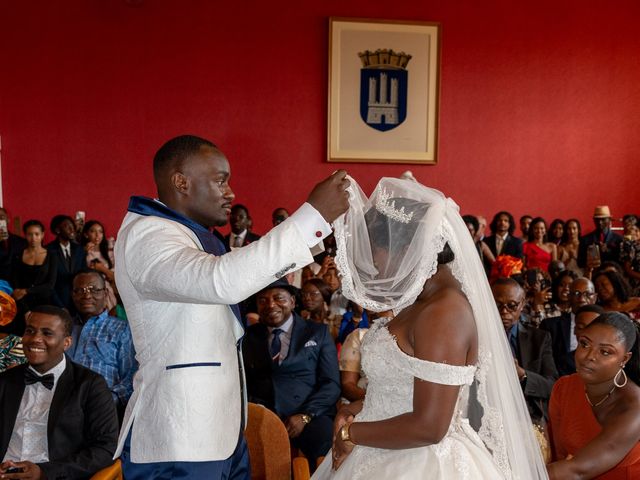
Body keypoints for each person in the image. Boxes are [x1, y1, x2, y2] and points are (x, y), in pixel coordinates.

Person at [114, 135, 349, 479]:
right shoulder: (149, 235)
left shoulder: (188, 235)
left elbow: (237, 267)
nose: (231, 192)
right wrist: (310, 217)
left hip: (218, 433)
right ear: (181, 181)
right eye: (220, 180)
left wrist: (312, 242)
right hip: (180, 439)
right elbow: (221, 280)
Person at [312, 177, 547, 479]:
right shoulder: (423, 300)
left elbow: (431, 426)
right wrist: (357, 408)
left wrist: (350, 434)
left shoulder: (445, 313)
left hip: (418, 463)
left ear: (404, 248)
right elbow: (404, 389)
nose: (369, 266)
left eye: (373, 252)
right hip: (384, 447)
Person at [0, 305, 119, 479]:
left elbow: (105, 448)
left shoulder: (90, 385)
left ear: (67, 343)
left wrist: (44, 472)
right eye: (30, 331)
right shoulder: (5, 381)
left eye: (47, 333)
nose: (35, 339)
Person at [242, 279, 340, 461]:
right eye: (262, 300)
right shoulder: (249, 336)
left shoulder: (317, 332)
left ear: (293, 301)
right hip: (266, 416)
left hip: (310, 414)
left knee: (324, 447)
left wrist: (305, 416)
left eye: (279, 298)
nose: (271, 305)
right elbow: (244, 382)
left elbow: (331, 384)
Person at [547, 312, 640, 479]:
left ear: (624, 359)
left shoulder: (635, 406)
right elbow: (557, 455)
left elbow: (578, 470)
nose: (589, 356)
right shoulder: (564, 388)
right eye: (584, 344)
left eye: (605, 352)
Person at [68, 270, 137, 418]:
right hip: (63, 406)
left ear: (105, 293)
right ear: (73, 295)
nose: (87, 296)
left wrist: (107, 401)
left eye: (94, 290)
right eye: (80, 290)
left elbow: (130, 378)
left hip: (102, 411)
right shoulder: (64, 328)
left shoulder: (121, 329)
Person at [491, 278, 558, 422]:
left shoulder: (539, 339)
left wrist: (522, 374)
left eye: (512, 305)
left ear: (522, 304)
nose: (504, 311)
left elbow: (552, 386)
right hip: (489, 411)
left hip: (528, 416)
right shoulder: (477, 336)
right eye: (497, 305)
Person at [6, 221, 57, 336]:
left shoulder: (52, 255)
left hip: (44, 304)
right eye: (29, 234)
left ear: (42, 235)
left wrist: (26, 291)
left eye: (36, 234)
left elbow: (50, 285)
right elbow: (15, 284)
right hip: (22, 305)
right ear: (25, 235)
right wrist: (25, 310)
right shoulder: (18, 255)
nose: (33, 238)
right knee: (20, 338)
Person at [541, 277, 597, 376]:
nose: (582, 299)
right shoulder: (550, 326)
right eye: (576, 294)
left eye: (587, 294)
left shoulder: (607, 327)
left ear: (595, 297)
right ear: (569, 296)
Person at [47, 215, 86, 314]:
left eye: (72, 225)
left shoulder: (79, 249)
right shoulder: (49, 250)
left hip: (79, 302)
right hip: (57, 302)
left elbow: (83, 274)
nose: (71, 229)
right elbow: (48, 283)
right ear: (57, 230)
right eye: (66, 226)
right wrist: (60, 306)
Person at [81, 220, 118, 312]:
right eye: (93, 231)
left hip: (108, 290)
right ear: (86, 234)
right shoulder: (82, 252)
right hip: (90, 292)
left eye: (100, 232)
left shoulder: (109, 251)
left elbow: (115, 276)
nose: (97, 235)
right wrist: (84, 252)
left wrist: (101, 268)